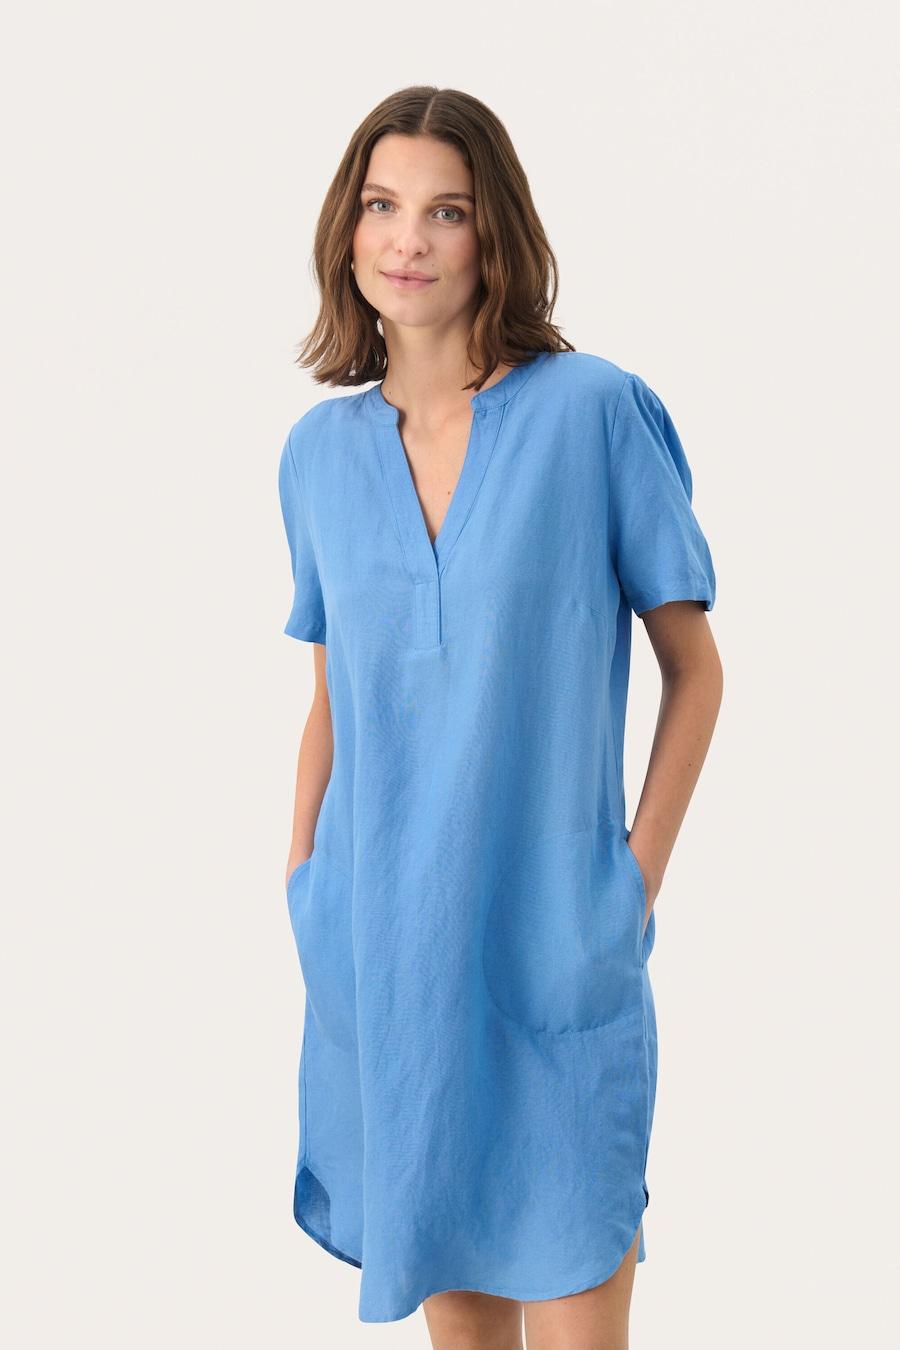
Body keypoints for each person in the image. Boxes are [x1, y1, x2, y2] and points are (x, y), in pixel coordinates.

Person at [277, 85, 723, 1349]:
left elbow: (696, 672)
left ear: (494, 235)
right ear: (347, 230)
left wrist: (628, 885)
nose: (407, 240)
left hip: (552, 949)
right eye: (382, 205)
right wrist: (305, 875)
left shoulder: (593, 413)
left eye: (447, 211)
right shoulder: (318, 455)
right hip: (388, 959)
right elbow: (334, 693)